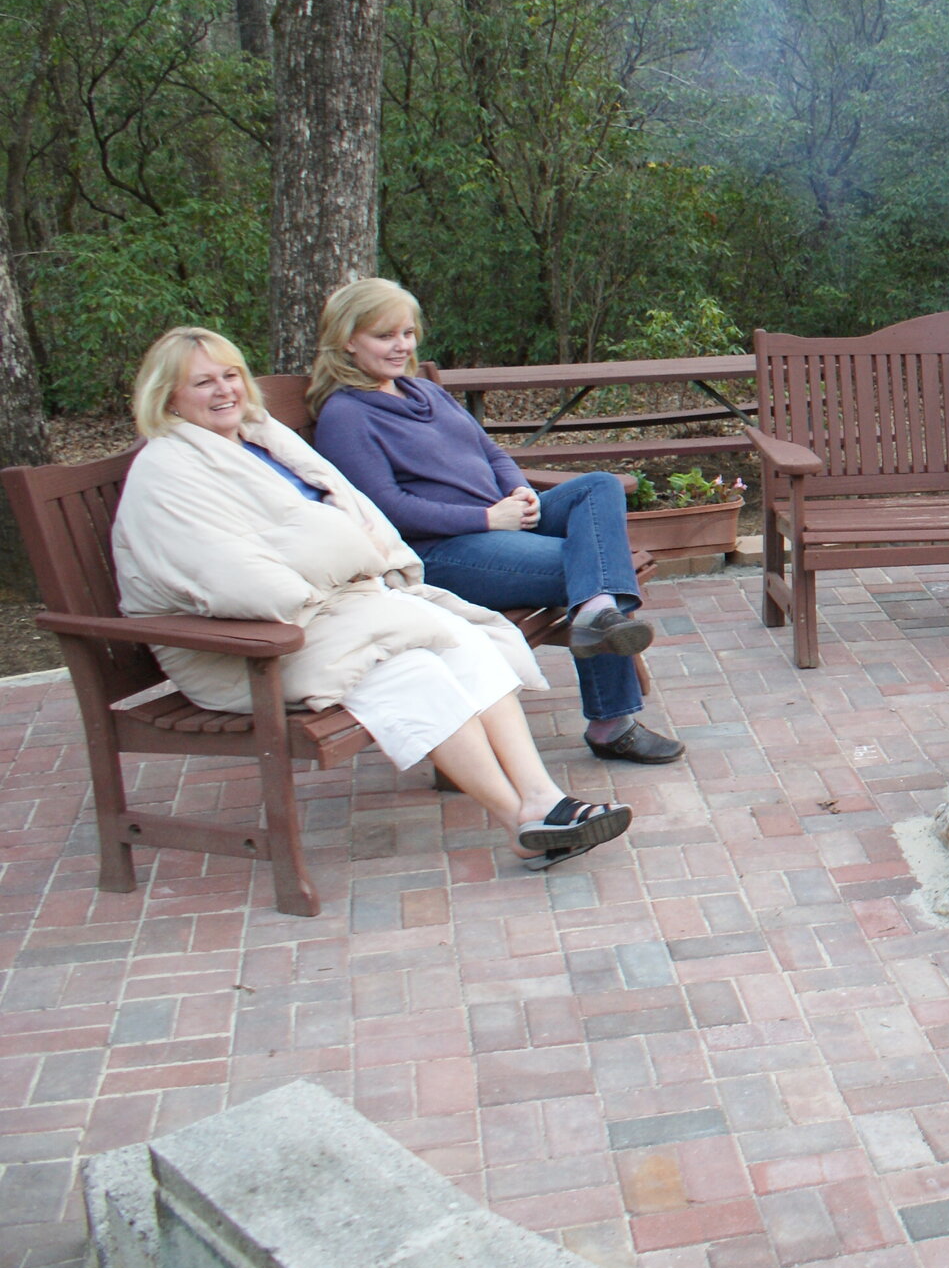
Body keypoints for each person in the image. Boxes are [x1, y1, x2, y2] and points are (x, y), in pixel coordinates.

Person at [111, 328, 633, 865]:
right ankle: (518, 819)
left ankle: (543, 798)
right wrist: (345, 559)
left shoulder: (257, 438)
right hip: (252, 645)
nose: (224, 391)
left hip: (340, 606)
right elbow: (227, 576)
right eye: (203, 382)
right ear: (168, 395)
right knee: (413, 675)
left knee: (467, 641)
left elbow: (353, 514)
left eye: (230, 376)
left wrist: (358, 561)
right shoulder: (167, 470)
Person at [307, 278, 684, 765]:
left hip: (500, 520)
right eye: (385, 336)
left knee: (600, 486)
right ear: (346, 340)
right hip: (443, 550)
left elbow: (490, 450)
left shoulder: (423, 392)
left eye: (407, 332)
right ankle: (612, 721)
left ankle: (595, 615)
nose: (401, 346)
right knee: (590, 566)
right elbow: (387, 509)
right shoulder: (346, 416)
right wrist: (486, 518)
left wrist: (518, 490)